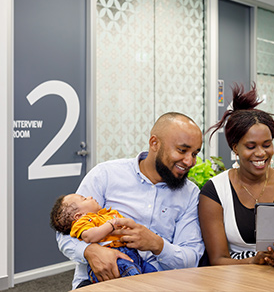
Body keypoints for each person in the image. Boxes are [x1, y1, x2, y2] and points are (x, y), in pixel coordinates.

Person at [56, 112, 205, 289]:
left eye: (195, 153)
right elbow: (65, 233)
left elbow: (192, 257)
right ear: (154, 143)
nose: (189, 161)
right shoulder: (105, 175)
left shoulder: (190, 194)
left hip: (159, 283)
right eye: (182, 150)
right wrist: (89, 251)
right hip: (100, 281)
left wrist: (157, 244)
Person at [199, 84, 274, 266]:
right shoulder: (215, 190)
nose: (260, 153)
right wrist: (254, 261)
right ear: (235, 148)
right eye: (251, 146)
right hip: (234, 278)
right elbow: (218, 260)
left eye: (267, 145)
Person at [50, 194, 157, 283]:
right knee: (133, 278)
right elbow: (89, 236)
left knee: (153, 275)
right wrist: (110, 225)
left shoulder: (108, 214)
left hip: (133, 254)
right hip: (113, 260)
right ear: (78, 216)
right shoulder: (84, 222)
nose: (90, 197)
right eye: (84, 199)